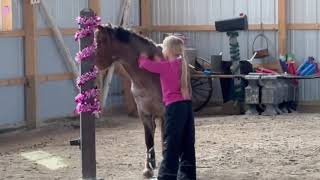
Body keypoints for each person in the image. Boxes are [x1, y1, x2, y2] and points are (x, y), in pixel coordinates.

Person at [138, 35, 196, 180]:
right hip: (187, 106)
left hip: (174, 108)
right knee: (187, 141)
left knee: (172, 141)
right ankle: (188, 174)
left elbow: (144, 64)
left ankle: (167, 175)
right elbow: (165, 64)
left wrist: (143, 55)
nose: (161, 49)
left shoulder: (165, 67)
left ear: (168, 50)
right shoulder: (182, 64)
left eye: (163, 47)